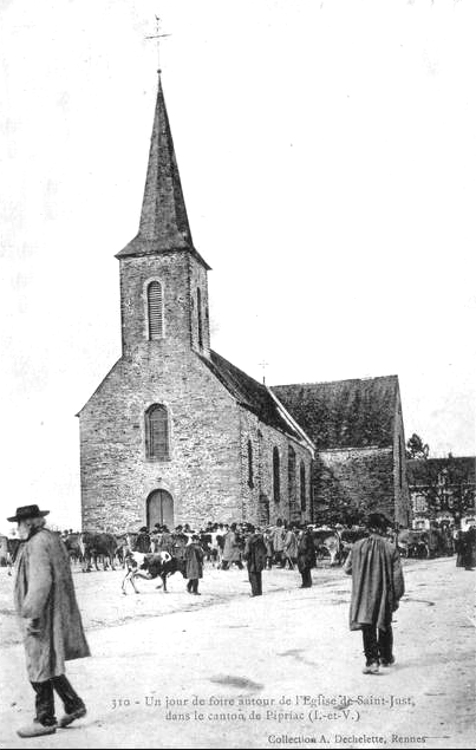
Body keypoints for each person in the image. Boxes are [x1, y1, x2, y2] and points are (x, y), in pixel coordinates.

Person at [7, 504, 90, 738]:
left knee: (38, 664)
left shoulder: (36, 543)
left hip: (41, 614)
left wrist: (32, 613)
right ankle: (74, 705)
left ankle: (44, 719)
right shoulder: (50, 539)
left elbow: (41, 581)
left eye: (19, 523)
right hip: (53, 611)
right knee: (49, 660)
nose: (17, 527)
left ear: (30, 523)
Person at [344, 512, 405, 675]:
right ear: (381, 528)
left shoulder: (357, 546)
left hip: (364, 593)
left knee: (367, 626)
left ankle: (371, 661)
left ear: (369, 528)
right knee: (384, 623)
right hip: (384, 593)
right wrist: (396, 596)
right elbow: (397, 577)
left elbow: (347, 569)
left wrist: (361, 569)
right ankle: (386, 657)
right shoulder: (390, 548)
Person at [243, 525, 267, 596]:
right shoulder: (260, 538)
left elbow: (247, 552)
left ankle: (255, 592)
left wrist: (245, 557)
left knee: (252, 576)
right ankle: (259, 591)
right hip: (259, 560)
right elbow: (265, 550)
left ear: (249, 531)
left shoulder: (249, 540)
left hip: (252, 561)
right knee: (259, 575)